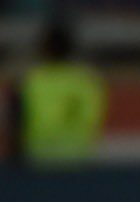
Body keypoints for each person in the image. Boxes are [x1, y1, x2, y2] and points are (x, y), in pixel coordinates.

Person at [15, 21, 107, 164]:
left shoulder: (31, 81)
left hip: (39, 158)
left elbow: (18, 122)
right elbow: (93, 118)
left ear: (43, 48)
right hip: (77, 157)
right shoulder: (85, 81)